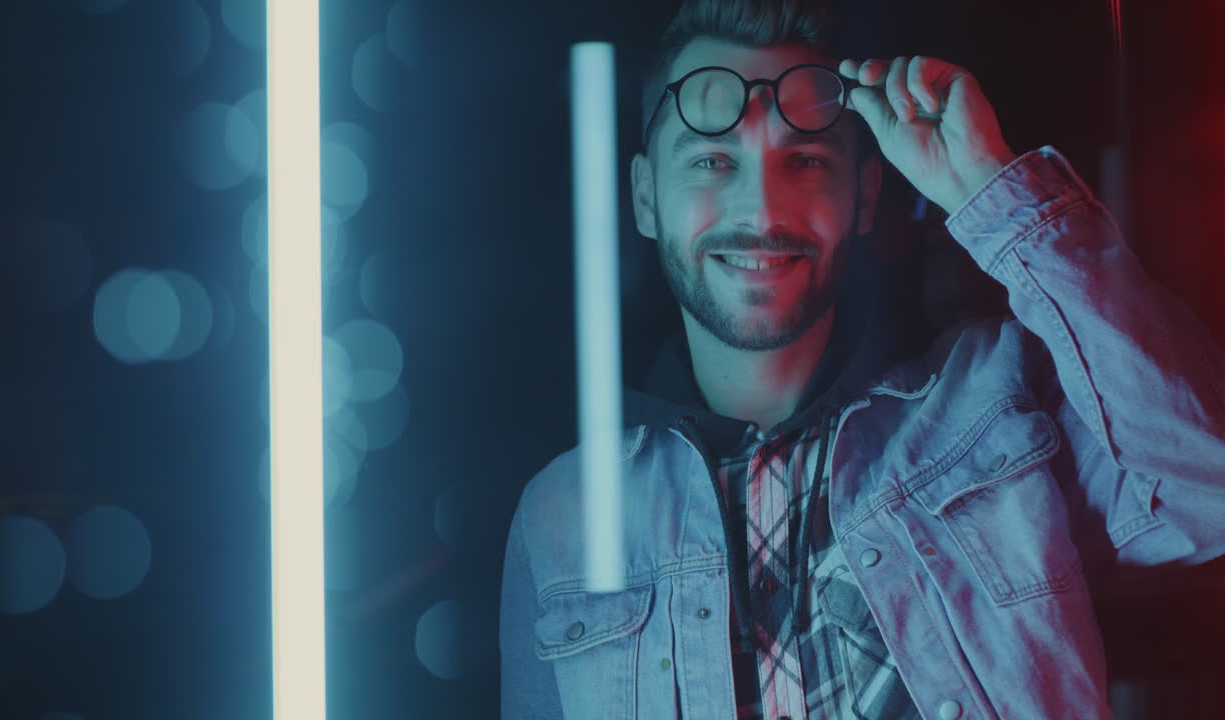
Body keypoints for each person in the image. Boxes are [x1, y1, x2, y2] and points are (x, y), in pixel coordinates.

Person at [499, 0, 1225, 718]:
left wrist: (984, 186)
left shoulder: (997, 404)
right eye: (713, 161)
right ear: (645, 199)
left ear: (866, 196)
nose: (760, 210)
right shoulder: (565, 515)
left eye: (805, 160)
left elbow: (1206, 488)